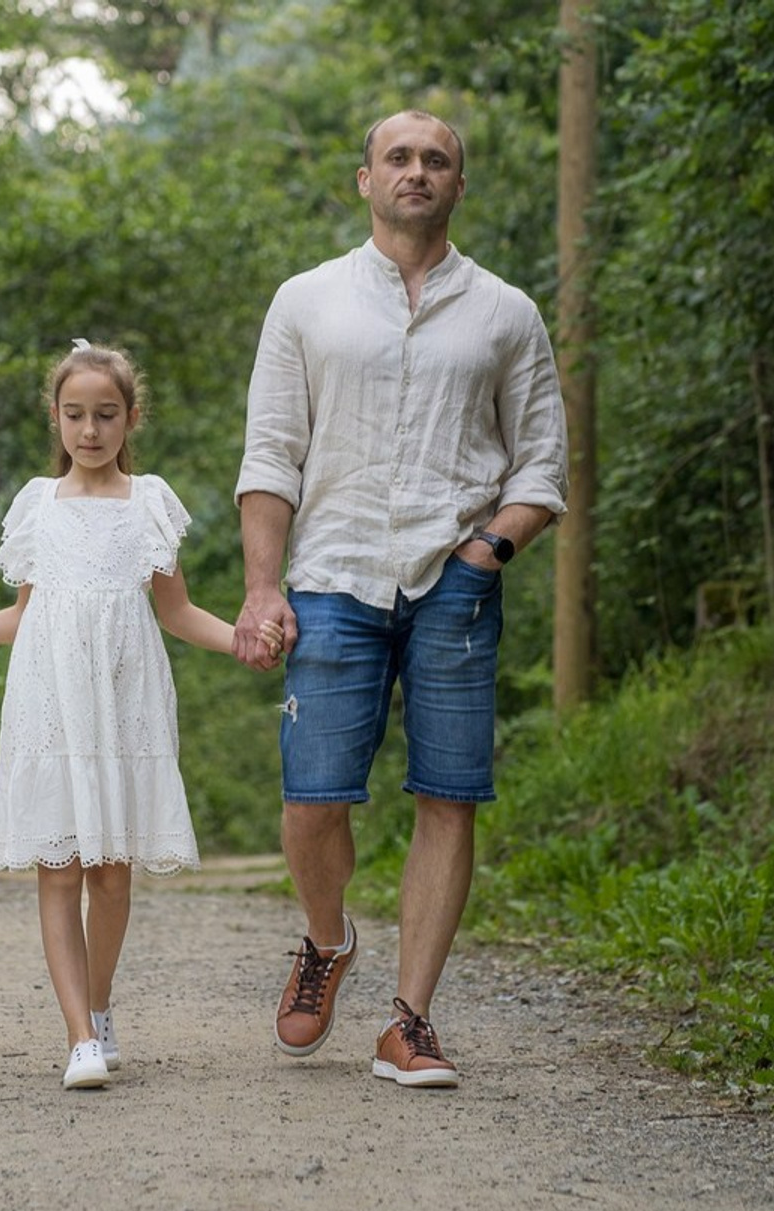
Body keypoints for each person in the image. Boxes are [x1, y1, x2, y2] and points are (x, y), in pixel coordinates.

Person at [232, 109, 568, 1087]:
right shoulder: (305, 302)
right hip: (332, 572)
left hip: (453, 581)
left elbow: (540, 463)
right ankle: (325, 939)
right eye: (398, 157)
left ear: (458, 185)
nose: (416, 171)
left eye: (436, 159)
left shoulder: (504, 313)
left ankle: (408, 1020)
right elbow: (269, 454)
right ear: (362, 180)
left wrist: (484, 552)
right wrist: (261, 588)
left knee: (446, 795)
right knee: (308, 798)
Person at [0, 341, 281, 1089]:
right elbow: (18, 616)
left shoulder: (149, 502)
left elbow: (179, 613)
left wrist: (244, 641)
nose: (89, 431)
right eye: (75, 415)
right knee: (58, 870)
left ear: (130, 418)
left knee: (112, 877)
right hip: (50, 700)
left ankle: (99, 1001)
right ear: (56, 419)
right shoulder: (37, 504)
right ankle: (80, 1036)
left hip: (124, 704)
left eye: (106, 415)